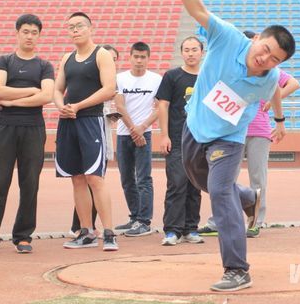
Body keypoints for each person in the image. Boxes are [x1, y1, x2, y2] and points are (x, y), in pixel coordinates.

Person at [136, 0, 295, 292]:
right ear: (257, 39)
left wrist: (279, 121)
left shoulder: (270, 78)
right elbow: (197, 8)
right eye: (265, 49)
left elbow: (275, 92)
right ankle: (247, 196)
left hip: (230, 138)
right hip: (195, 128)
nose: (265, 59)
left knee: (220, 193)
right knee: (203, 182)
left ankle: (237, 269)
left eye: (275, 59)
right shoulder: (228, 37)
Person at [197, 31, 300, 239]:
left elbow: (293, 83)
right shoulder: (231, 65)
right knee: (224, 179)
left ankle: (255, 222)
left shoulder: (268, 71)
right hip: (232, 131)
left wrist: (274, 104)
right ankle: (218, 221)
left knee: (257, 177)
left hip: (258, 131)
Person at [0, 14, 54, 255]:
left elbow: (46, 96)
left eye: (34, 32)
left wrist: (12, 102)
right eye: (25, 31)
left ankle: (22, 236)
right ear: (17, 33)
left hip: (33, 128)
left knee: (30, 183)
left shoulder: (44, 66)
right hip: (6, 128)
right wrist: (31, 91)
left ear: (39, 36)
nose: (30, 36)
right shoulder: (4, 61)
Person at [54, 12, 118, 251]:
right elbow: (57, 89)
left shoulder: (101, 54)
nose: (75, 30)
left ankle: (109, 232)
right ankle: (86, 232)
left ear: (90, 28)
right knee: (77, 178)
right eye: (71, 27)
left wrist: (79, 106)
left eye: (80, 26)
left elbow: (109, 89)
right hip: (69, 121)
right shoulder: (67, 58)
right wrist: (61, 106)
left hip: (91, 120)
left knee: (95, 178)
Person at [157, 36, 204, 246]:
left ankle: (191, 228)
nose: (191, 53)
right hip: (177, 139)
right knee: (176, 184)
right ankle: (172, 230)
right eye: (187, 50)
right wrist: (164, 135)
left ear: (202, 52)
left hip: (200, 140)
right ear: (181, 52)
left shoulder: (207, 77)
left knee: (195, 185)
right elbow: (163, 105)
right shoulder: (172, 76)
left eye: (194, 49)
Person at [70, 44, 120, 235]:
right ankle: (81, 226)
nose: (111, 62)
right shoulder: (90, 77)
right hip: (88, 125)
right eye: (109, 58)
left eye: (114, 60)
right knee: (84, 178)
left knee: (96, 178)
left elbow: (116, 104)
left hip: (103, 129)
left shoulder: (114, 80)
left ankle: (93, 226)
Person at [114, 41, 161, 237]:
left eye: (143, 57)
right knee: (126, 178)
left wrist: (142, 128)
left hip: (145, 134)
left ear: (148, 58)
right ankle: (134, 217)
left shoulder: (156, 80)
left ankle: (144, 221)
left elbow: (160, 107)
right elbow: (119, 106)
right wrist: (134, 129)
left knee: (143, 178)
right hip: (124, 133)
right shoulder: (120, 78)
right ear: (130, 57)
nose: (139, 60)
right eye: (136, 56)